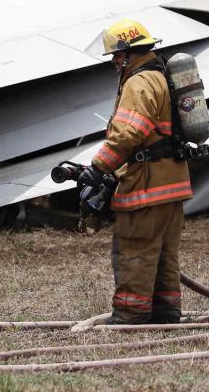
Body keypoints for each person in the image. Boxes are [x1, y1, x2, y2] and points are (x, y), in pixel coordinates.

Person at [81, 19, 193, 325]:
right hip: (173, 184)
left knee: (135, 251)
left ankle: (130, 315)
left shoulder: (138, 83)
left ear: (129, 53)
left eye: (117, 56)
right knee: (164, 254)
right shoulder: (160, 76)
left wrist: (98, 167)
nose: (115, 63)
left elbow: (129, 132)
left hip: (147, 185)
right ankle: (165, 313)